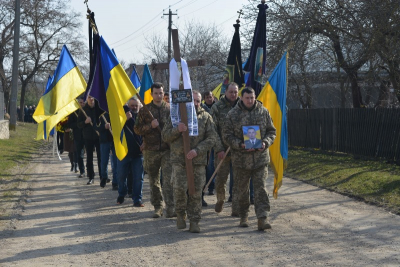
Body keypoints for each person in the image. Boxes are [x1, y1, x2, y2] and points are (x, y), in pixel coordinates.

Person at [162, 90, 217, 233]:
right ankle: (180, 215)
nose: (196, 104)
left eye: (198, 101)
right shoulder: (176, 117)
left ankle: (194, 220)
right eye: (193, 101)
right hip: (179, 160)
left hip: (198, 162)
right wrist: (177, 130)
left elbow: (212, 138)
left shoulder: (206, 117)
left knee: (196, 192)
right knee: (179, 189)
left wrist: (197, 150)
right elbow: (165, 136)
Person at [222, 87, 276, 230]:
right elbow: (226, 135)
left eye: (252, 98)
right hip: (241, 160)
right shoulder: (233, 114)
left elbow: (272, 131)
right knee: (242, 190)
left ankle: (262, 218)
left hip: (260, 159)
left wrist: (265, 142)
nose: (250, 100)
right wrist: (240, 144)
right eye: (247, 98)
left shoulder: (263, 112)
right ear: (241, 98)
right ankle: (243, 215)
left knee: (261, 189)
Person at [134, 82, 174, 218]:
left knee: (168, 180)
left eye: (161, 93)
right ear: (151, 94)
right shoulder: (145, 110)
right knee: (154, 181)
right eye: (156, 93)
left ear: (164, 94)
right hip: (151, 150)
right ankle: (158, 207)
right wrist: (150, 126)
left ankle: (171, 207)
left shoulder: (169, 109)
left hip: (166, 149)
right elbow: (137, 129)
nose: (159, 95)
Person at [211, 82, 240, 216]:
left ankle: (236, 207)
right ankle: (220, 199)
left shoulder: (242, 105)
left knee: (239, 180)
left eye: (235, 92)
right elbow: (213, 130)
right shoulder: (217, 107)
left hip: (239, 151)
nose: (233, 94)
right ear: (225, 92)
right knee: (221, 179)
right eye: (231, 92)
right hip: (222, 151)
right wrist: (219, 149)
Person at [116, 97, 145, 206]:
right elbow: (115, 129)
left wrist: (145, 143)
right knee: (121, 176)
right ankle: (121, 194)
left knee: (138, 177)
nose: (133, 107)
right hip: (124, 152)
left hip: (138, 154)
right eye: (131, 105)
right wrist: (124, 119)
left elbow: (144, 131)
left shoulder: (143, 117)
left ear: (139, 106)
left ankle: (137, 199)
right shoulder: (121, 116)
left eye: (136, 105)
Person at [77, 95, 101, 185]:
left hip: (98, 136)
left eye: (92, 97)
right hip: (88, 137)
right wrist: (85, 122)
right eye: (89, 97)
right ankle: (91, 177)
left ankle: (102, 176)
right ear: (87, 99)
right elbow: (78, 124)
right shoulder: (83, 110)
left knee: (100, 158)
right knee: (89, 158)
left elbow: (103, 120)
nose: (91, 99)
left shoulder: (99, 108)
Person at [97, 112, 116, 188]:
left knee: (115, 162)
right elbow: (96, 126)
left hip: (115, 140)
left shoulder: (114, 110)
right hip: (104, 140)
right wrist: (104, 127)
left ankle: (115, 181)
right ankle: (104, 177)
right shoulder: (100, 112)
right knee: (104, 161)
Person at [67, 98, 86, 178]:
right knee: (79, 155)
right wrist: (78, 124)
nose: (81, 104)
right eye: (80, 103)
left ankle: (90, 172)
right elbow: (70, 124)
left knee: (89, 155)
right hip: (77, 136)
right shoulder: (73, 113)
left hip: (87, 136)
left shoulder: (87, 112)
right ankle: (82, 171)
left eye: (82, 103)